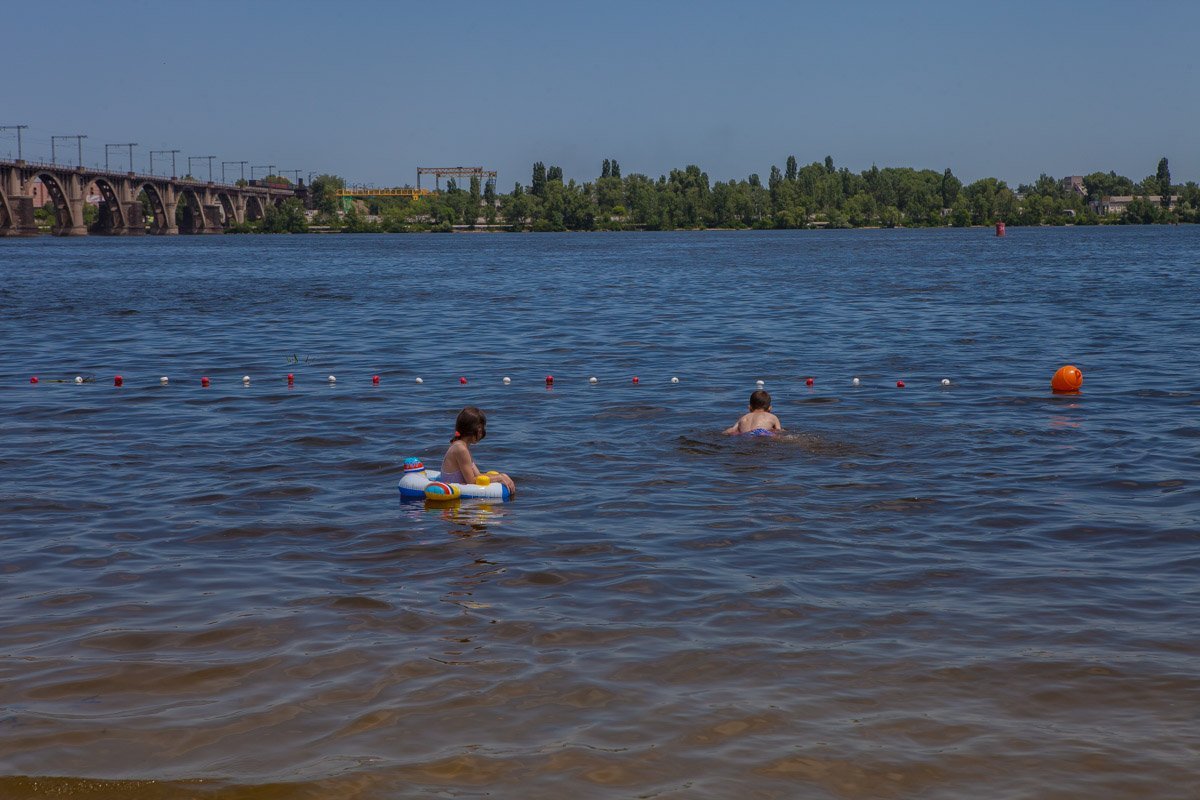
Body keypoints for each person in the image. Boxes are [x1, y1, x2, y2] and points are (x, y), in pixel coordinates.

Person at [440, 406, 517, 495]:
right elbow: (471, 481)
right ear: (478, 429)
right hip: (455, 497)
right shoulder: (461, 449)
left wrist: (502, 476)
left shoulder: (461, 446)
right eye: (482, 428)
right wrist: (499, 478)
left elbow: (478, 476)